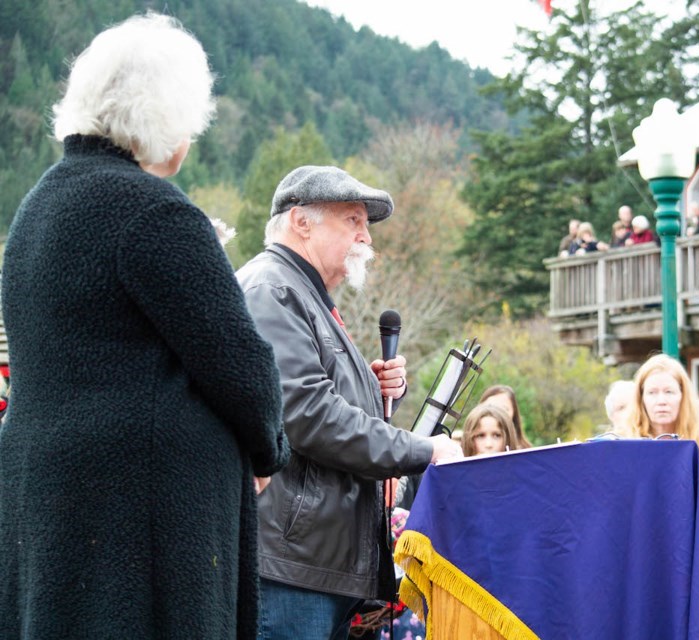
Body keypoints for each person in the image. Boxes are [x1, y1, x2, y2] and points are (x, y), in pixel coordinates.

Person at [0, 14, 291, 639]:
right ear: (165, 118)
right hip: (142, 528)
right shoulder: (154, 213)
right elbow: (243, 368)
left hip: (49, 505)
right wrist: (268, 446)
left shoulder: (37, 208)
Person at [237, 165, 462, 640]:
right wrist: (424, 449)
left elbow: (317, 409)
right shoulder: (273, 289)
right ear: (301, 222)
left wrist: (377, 394)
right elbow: (307, 416)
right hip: (290, 568)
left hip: (310, 564)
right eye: (353, 220)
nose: (367, 237)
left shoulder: (303, 295)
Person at [630, 354, 699, 531]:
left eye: (669, 392)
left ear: (682, 396)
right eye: (652, 393)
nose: (661, 401)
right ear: (641, 399)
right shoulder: (625, 446)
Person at [479, 384, 533, 449]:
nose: (497, 414)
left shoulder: (525, 453)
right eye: (490, 407)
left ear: (513, 414)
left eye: (503, 409)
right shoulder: (465, 451)